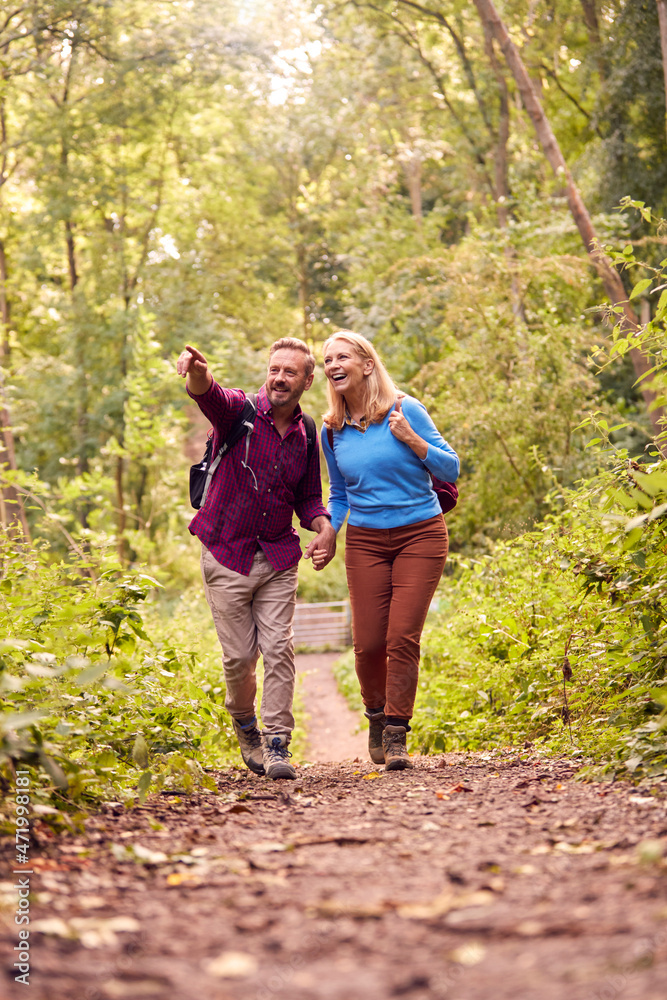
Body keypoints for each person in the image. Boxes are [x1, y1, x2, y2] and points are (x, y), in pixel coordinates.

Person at [176, 338, 336, 780]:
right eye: (274, 370)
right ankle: (245, 725)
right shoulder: (239, 413)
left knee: (279, 648)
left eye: (290, 372)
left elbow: (307, 497)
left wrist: (322, 526)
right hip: (227, 551)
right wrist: (196, 370)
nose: (280, 378)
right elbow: (210, 392)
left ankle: (278, 744)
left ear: (307, 379)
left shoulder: (306, 434)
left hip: (277, 557)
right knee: (240, 660)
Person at [318, 331, 459, 771]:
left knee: (401, 637)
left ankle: (397, 731)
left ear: (365, 363)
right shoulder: (331, 429)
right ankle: (376, 715)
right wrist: (329, 532)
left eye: (342, 356)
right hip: (366, 541)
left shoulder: (405, 408)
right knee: (368, 644)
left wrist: (413, 440)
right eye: (327, 360)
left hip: (421, 533)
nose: (332, 365)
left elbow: (451, 466)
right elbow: (339, 493)